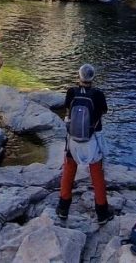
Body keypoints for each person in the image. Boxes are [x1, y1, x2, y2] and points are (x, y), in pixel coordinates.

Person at [56, 64, 114, 225]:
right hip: (92, 140)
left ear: (79, 77)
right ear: (92, 78)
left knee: (68, 171)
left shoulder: (71, 92)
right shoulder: (98, 94)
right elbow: (103, 111)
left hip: (73, 139)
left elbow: (68, 109)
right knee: (97, 175)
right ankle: (102, 213)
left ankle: (63, 209)